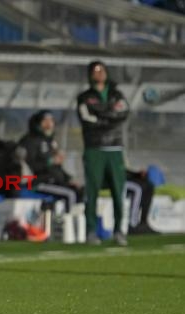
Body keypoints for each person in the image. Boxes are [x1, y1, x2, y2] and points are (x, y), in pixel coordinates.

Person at [77, 60, 130, 246]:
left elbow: (122, 114)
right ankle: (91, 231)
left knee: (118, 191)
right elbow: (87, 120)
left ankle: (119, 231)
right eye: (95, 71)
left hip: (115, 149)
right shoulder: (84, 97)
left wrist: (101, 115)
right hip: (94, 149)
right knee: (92, 192)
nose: (99, 74)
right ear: (90, 74)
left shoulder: (117, 95)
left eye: (102, 70)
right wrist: (109, 116)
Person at [17, 110, 83, 214]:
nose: (49, 124)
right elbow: (32, 166)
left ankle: (80, 224)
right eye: (45, 120)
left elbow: (56, 168)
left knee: (81, 191)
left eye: (51, 120)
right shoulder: (30, 141)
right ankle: (66, 225)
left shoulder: (50, 141)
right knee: (70, 195)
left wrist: (68, 179)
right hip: (39, 182)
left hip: (54, 181)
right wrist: (51, 161)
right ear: (38, 123)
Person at [125, 169, 158, 234]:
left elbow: (123, 170)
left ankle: (143, 222)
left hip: (125, 178)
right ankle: (132, 225)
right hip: (115, 180)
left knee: (149, 185)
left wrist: (137, 174)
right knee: (137, 188)